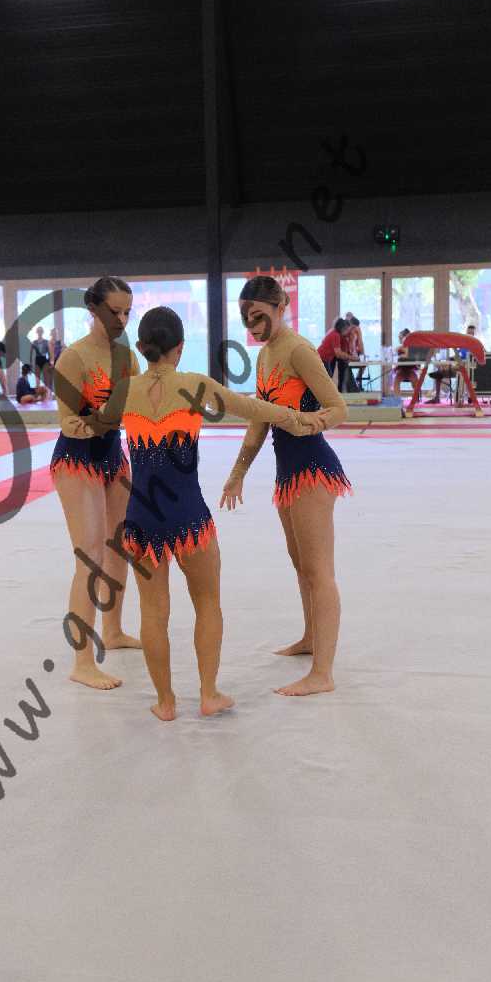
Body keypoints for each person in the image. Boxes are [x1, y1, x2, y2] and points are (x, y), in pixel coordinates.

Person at [91, 306, 326, 721]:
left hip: (142, 518)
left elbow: (93, 425)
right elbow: (253, 408)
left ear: (142, 347)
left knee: (153, 612)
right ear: (180, 348)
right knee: (207, 603)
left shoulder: (125, 391)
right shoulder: (195, 385)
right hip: (188, 516)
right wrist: (301, 418)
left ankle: (165, 702)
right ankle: (208, 693)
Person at [221, 276, 351, 697]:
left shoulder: (298, 350)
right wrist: (239, 470)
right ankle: (311, 638)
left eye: (259, 316)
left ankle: (323, 673)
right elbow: (259, 419)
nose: (253, 325)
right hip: (288, 473)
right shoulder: (264, 356)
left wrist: (310, 422)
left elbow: (338, 408)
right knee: (301, 565)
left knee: (319, 571)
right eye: (246, 318)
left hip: (312, 469)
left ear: (281, 307)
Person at [50, 277, 142, 690]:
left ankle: (114, 629)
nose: (121, 319)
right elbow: (69, 423)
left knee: (120, 544)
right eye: (113, 312)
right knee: (89, 555)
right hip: (77, 459)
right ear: (93, 310)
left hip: (112, 456)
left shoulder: (127, 356)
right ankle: (82, 661)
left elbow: (137, 407)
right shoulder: (74, 358)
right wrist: (107, 417)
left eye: (127, 312)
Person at [317, 318, 354, 392]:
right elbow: (338, 353)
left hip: (325, 359)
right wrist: (351, 357)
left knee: (328, 379)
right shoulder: (335, 335)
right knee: (327, 380)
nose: (347, 331)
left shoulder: (336, 334)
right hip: (322, 358)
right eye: (346, 329)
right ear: (342, 328)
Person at [392, 327, 423, 396]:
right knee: (396, 381)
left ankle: (416, 398)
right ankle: (397, 398)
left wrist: (405, 354)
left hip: (411, 370)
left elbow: (416, 358)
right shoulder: (399, 348)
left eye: (400, 338)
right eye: (399, 338)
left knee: (415, 381)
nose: (399, 340)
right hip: (401, 370)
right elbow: (394, 355)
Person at [343, 312, 365, 390]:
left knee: (363, 364)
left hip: (353, 353)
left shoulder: (356, 329)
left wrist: (362, 354)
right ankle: (351, 386)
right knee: (346, 365)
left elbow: (360, 343)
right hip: (345, 354)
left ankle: (358, 381)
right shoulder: (344, 329)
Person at [30, 326, 52, 394]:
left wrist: (50, 362)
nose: (39, 332)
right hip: (37, 359)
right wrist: (30, 362)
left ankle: (47, 393)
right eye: (38, 331)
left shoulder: (46, 341)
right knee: (37, 378)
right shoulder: (34, 342)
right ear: (37, 332)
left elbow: (49, 353)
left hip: (44, 360)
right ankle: (38, 394)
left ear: (42, 332)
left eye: (41, 331)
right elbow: (31, 353)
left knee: (46, 379)